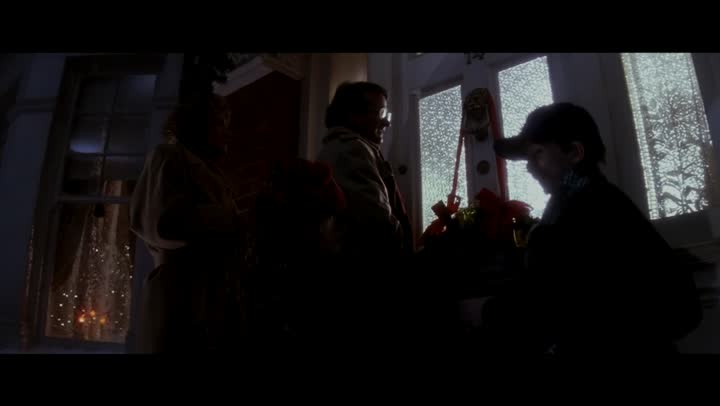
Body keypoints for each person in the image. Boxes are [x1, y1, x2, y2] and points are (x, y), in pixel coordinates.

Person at [481, 102, 702, 358]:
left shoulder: (597, 210)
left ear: (575, 153)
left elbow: (554, 300)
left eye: (538, 154)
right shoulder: (573, 205)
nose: (530, 167)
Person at [129, 94, 246, 353]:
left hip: (209, 301)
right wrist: (236, 220)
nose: (227, 133)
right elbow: (164, 222)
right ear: (198, 124)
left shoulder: (210, 171)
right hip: (181, 299)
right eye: (220, 124)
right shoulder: (168, 156)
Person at [315, 81, 413, 342]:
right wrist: (407, 253)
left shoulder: (354, 148)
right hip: (363, 281)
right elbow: (377, 221)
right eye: (380, 113)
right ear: (353, 115)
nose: (387, 121)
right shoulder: (351, 149)